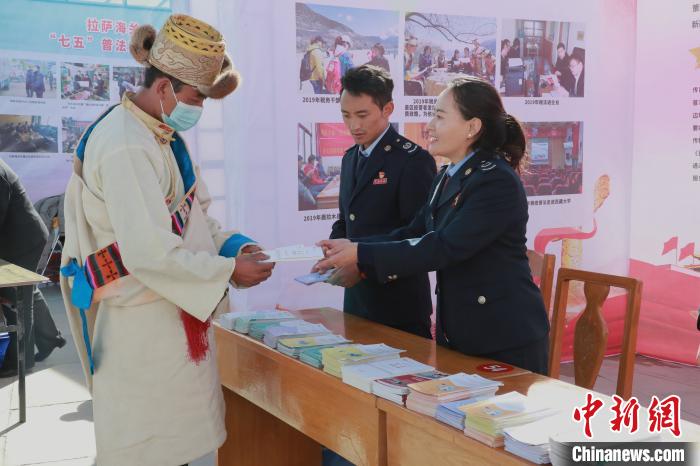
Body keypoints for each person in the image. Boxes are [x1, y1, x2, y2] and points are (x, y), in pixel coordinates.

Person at [59, 14, 275, 466]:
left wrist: (234, 248)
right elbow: (149, 252)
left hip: (169, 317)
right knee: (148, 449)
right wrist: (228, 271)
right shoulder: (125, 144)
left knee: (177, 445)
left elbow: (193, 219)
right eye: (196, 98)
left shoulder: (157, 133)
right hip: (141, 329)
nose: (198, 110)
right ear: (163, 88)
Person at [316, 76, 550, 376]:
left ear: (472, 127)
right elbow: (415, 232)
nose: (429, 126)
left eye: (439, 117)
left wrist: (361, 254)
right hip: (461, 331)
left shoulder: (495, 180)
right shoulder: (447, 176)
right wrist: (353, 247)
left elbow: (444, 246)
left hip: (502, 336)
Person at [327, 64, 436, 337]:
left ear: (387, 109)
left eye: (362, 115)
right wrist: (334, 252)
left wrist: (361, 266)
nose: (354, 125)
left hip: (398, 305)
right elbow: (346, 220)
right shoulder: (350, 158)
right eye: (346, 115)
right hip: (357, 302)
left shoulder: (412, 160)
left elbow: (418, 234)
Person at [0, 159, 66, 377]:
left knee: (18, 295)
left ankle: (21, 360)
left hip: (23, 240)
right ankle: (50, 338)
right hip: (17, 236)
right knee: (26, 291)